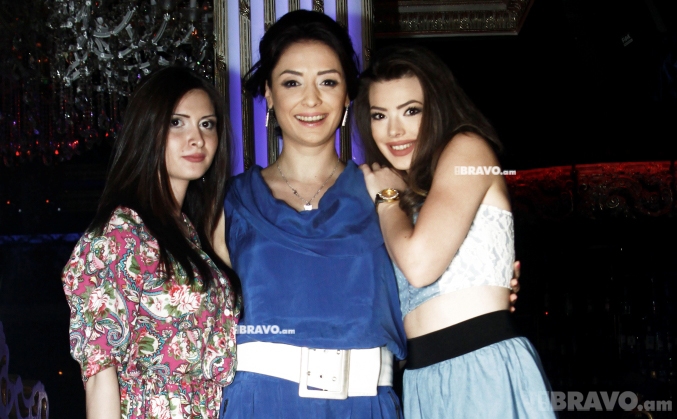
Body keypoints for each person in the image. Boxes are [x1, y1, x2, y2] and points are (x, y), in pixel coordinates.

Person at [213, 10, 407, 418]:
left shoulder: (386, 191)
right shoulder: (229, 202)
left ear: (348, 94)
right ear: (269, 94)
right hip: (259, 404)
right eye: (292, 82)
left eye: (328, 82)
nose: (312, 99)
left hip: (364, 405)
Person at [357, 45, 554, 418]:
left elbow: (420, 266)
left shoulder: (467, 149)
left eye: (411, 111)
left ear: (437, 108)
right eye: (380, 115)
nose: (394, 130)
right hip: (423, 378)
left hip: (480, 368)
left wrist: (387, 199)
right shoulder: (401, 193)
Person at [61, 66, 240, 419]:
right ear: (148, 129)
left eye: (207, 124)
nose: (197, 138)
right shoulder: (121, 233)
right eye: (177, 123)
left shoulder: (190, 231)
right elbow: (99, 373)